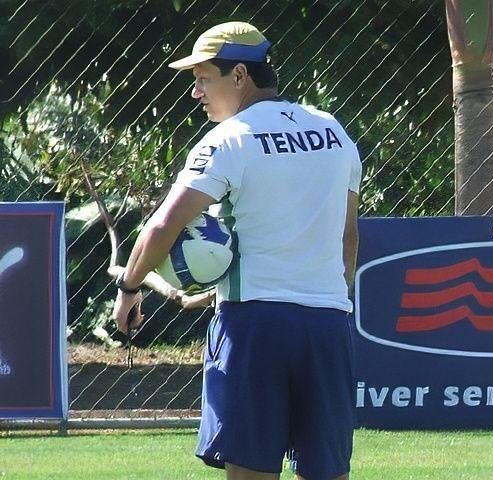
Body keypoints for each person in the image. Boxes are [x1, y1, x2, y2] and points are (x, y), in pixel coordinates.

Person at [111, 22, 361, 480]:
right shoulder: (333, 131)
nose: (195, 93)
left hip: (255, 326)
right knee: (327, 473)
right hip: (328, 325)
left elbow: (165, 223)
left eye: (203, 79)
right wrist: (330, 296)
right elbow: (348, 238)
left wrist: (128, 287)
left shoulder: (230, 138)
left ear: (240, 76)